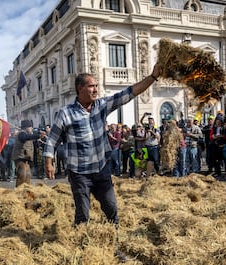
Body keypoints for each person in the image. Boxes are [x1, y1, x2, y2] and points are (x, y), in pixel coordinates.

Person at [43, 64, 161, 228]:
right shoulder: (66, 113)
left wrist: (152, 77)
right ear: (80, 88)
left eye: (96, 86)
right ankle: (82, 244)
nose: (95, 90)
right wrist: (48, 162)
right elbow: (52, 140)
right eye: (91, 86)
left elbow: (129, 93)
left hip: (101, 169)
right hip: (79, 173)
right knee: (83, 214)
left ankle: (114, 237)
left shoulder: (102, 106)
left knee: (111, 208)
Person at [12, 120, 45, 187]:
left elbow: (31, 135)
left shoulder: (27, 133)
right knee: (22, 174)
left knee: (28, 175)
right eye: (30, 127)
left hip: (25, 158)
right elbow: (26, 137)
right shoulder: (22, 134)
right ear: (26, 127)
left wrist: (39, 133)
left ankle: (26, 188)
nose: (31, 128)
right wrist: (38, 136)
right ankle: (19, 189)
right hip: (20, 158)